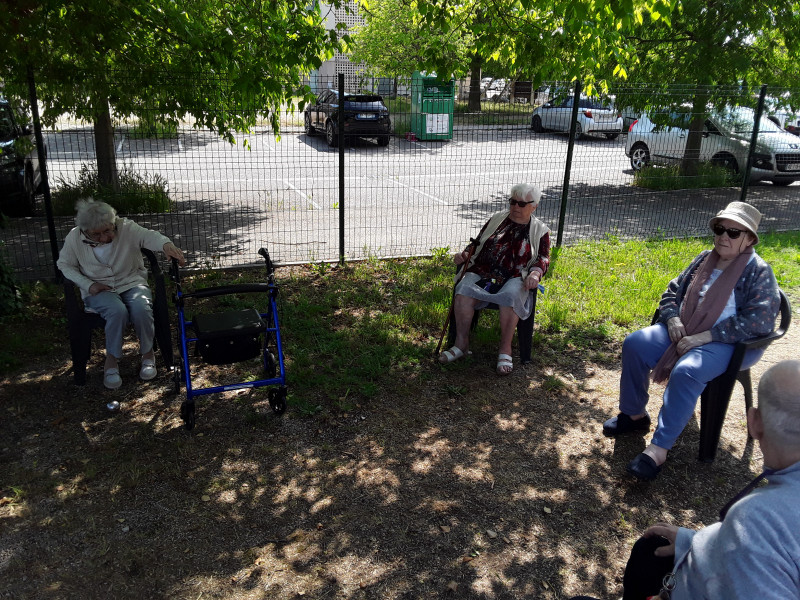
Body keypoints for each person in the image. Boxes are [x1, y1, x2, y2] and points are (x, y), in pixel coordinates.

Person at [570, 360, 800, 600]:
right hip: (697, 563)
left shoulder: (757, 521)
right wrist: (695, 541)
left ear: (754, 422)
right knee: (649, 548)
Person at [603, 201, 780, 480]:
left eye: (734, 233)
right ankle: (634, 415)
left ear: (749, 238)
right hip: (685, 328)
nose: (724, 236)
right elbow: (672, 291)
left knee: (688, 370)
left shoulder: (758, 271)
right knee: (635, 343)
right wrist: (672, 318)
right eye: (721, 229)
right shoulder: (703, 258)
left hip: (728, 343)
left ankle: (658, 450)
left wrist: (707, 336)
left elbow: (759, 321)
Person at [57, 198, 186, 391]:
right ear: (84, 230)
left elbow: (149, 236)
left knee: (142, 308)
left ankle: (148, 354)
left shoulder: (126, 227)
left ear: (113, 221)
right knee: (116, 310)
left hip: (131, 282)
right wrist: (88, 284)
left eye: (108, 230)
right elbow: (64, 265)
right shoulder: (74, 238)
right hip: (98, 289)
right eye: (96, 234)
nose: (104, 238)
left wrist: (166, 245)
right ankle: (112, 361)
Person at [438, 183, 550, 375]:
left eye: (522, 204)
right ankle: (461, 344)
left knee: (510, 295)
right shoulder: (497, 220)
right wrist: (464, 255)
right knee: (463, 290)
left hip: (516, 275)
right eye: (513, 202)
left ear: (534, 206)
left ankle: (505, 349)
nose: (515, 207)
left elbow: (543, 258)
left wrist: (535, 273)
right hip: (484, 271)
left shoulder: (540, 230)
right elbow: (477, 243)